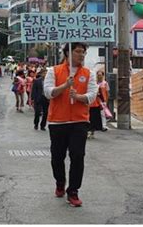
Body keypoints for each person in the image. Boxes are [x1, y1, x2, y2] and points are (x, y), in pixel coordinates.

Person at [43, 42, 97, 207]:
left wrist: (79, 97)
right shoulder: (54, 71)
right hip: (57, 121)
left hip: (79, 121)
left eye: (83, 52)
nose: (81, 55)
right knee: (57, 157)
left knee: (78, 156)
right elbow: (48, 92)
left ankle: (73, 191)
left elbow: (93, 94)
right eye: (78, 51)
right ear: (67, 53)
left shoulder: (89, 73)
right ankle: (60, 182)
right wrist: (65, 86)